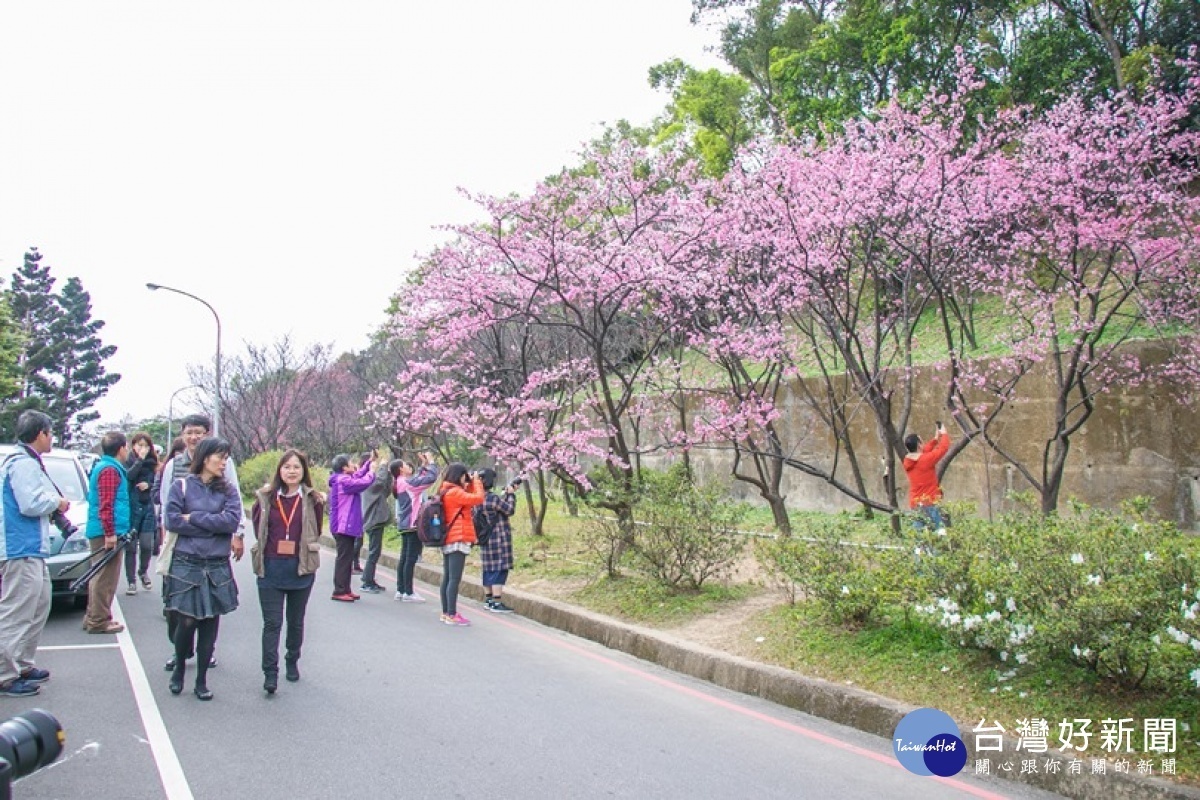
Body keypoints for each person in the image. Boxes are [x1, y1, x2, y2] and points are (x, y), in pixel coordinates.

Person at [155, 415, 243, 671]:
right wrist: (168, 535)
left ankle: (205, 654)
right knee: (176, 609)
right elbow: (167, 512)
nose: (194, 437)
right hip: (180, 550)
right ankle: (180, 651)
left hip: (210, 553)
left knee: (210, 610)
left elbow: (232, 511)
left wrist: (234, 532)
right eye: (189, 432)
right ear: (182, 435)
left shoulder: (225, 469)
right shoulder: (174, 467)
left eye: (199, 432)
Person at [0, 411, 67, 697]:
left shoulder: (23, 461)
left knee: (38, 606)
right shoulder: (23, 463)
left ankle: (22, 664)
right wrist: (58, 503)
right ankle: (5, 674)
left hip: (30, 547)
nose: (51, 438)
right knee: (17, 611)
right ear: (40, 433)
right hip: (19, 548)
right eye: (50, 433)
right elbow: (30, 503)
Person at [250, 449, 324, 695]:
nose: (291, 471)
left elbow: (316, 529)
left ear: (304, 471)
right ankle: (270, 673)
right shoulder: (265, 498)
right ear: (279, 471)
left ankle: (292, 658)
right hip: (270, 568)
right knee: (272, 623)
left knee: (295, 621)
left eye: (296, 467)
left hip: (300, 569)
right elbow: (258, 529)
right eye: (287, 467)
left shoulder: (313, 500)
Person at [82, 431, 131, 634]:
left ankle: (92, 616)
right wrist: (110, 533)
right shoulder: (110, 470)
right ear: (121, 448)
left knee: (99, 575)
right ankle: (98, 620)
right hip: (106, 532)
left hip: (103, 530)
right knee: (105, 577)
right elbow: (106, 504)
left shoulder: (104, 466)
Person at [436, 463, 485, 626]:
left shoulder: (446, 490)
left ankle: (446, 612)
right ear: (459, 476)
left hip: (449, 537)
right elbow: (478, 498)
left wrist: (470, 483)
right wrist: (476, 481)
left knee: (448, 577)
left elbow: (469, 498)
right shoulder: (455, 492)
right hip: (458, 538)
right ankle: (451, 613)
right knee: (454, 579)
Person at [327, 453, 374, 602]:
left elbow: (358, 475)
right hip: (343, 526)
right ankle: (339, 590)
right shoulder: (343, 481)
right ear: (344, 467)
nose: (354, 465)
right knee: (343, 559)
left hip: (345, 526)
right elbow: (363, 483)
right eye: (351, 463)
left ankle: (345, 589)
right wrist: (372, 471)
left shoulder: (343, 478)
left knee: (346, 559)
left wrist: (368, 463)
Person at [393, 452, 438, 603]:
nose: (408, 466)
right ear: (401, 469)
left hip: (404, 524)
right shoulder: (407, 483)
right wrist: (431, 462)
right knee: (410, 559)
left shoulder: (400, 482)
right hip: (413, 524)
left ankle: (400, 589)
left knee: (404, 557)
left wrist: (424, 466)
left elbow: (417, 479)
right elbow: (430, 479)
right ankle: (408, 592)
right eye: (405, 465)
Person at [359, 456, 403, 594]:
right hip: (373, 521)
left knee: (375, 552)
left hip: (374, 520)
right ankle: (367, 581)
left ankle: (369, 579)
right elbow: (379, 483)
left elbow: (385, 490)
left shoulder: (368, 483)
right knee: (373, 552)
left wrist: (389, 473)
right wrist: (383, 466)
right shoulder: (367, 482)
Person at [476, 469, 518, 613]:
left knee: (488, 568)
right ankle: (497, 601)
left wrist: (505, 495)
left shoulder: (476, 498)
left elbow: (499, 509)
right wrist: (511, 494)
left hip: (485, 538)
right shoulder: (493, 498)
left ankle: (488, 599)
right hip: (498, 539)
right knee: (499, 570)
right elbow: (509, 510)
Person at [123, 431, 159, 595]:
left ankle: (143, 571)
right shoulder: (128, 461)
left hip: (147, 505)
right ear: (133, 446)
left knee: (147, 544)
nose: (143, 448)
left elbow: (155, 481)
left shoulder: (152, 462)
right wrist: (139, 460)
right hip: (132, 505)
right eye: (140, 445)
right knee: (130, 546)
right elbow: (129, 476)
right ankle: (131, 581)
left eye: (146, 445)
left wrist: (149, 485)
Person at [903, 421, 951, 532]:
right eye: (921, 441)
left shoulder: (908, 460)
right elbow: (943, 448)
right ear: (919, 444)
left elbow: (922, 452)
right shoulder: (926, 460)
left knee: (919, 535)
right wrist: (944, 434)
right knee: (937, 532)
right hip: (930, 502)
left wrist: (935, 439)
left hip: (915, 503)